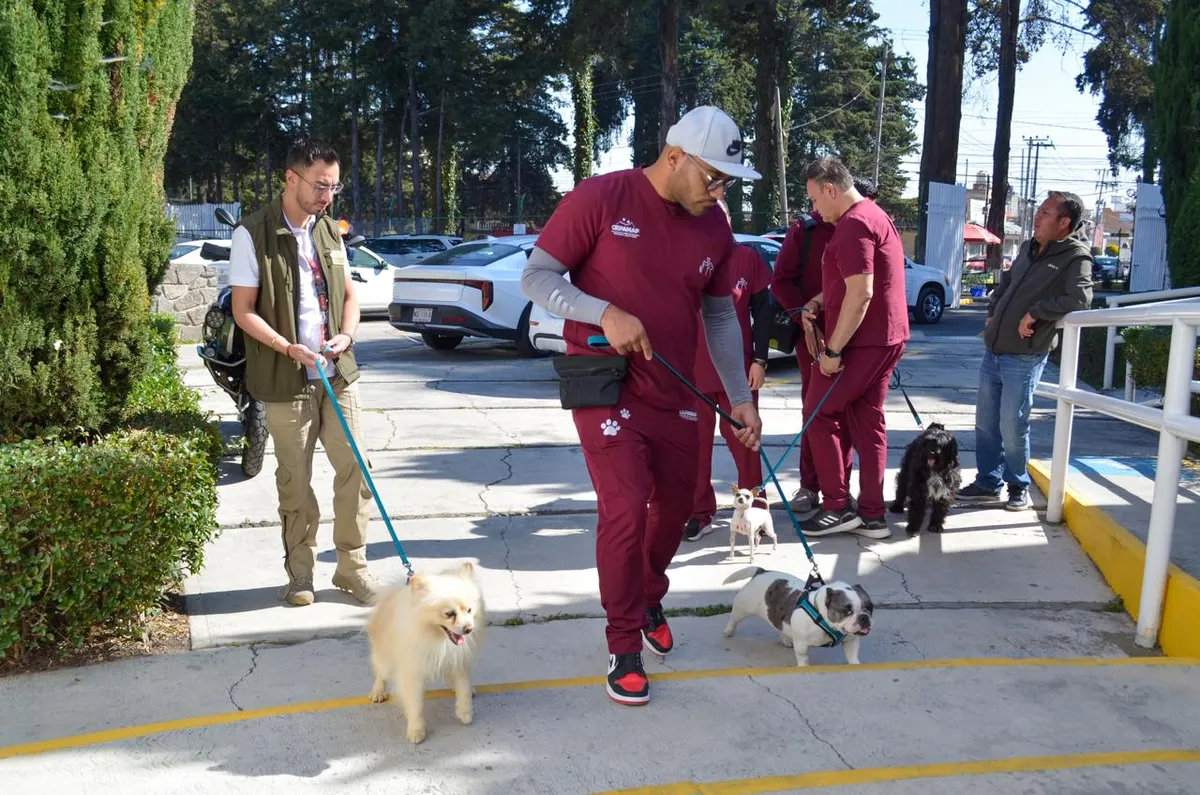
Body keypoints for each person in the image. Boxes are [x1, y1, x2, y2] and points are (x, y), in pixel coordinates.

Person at [521, 105, 764, 706]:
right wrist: (601, 311)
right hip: (605, 380)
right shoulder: (602, 198)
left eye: (728, 182)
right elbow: (538, 277)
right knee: (627, 504)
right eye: (713, 177)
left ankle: (648, 591)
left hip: (677, 389)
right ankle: (624, 641)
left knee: (678, 507)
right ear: (675, 157)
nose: (719, 190)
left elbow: (717, 315)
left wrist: (740, 396)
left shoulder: (715, 226)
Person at [230, 137, 380, 608]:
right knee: (294, 479)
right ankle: (301, 575)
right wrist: (286, 347)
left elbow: (350, 299)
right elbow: (243, 310)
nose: (327, 196)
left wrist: (347, 337)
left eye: (334, 187)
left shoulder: (330, 230)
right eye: (320, 185)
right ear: (291, 178)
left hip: (337, 374)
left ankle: (352, 570)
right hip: (285, 379)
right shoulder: (251, 233)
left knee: (356, 469)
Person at [796, 156, 909, 539]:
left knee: (819, 413)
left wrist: (832, 352)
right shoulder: (875, 215)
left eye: (814, 199)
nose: (814, 210)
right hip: (886, 336)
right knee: (867, 419)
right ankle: (873, 514)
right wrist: (818, 300)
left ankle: (836, 506)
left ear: (830, 189)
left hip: (864, 341)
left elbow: (861, 293)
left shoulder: (853, 225)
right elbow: (850, 283)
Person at [958, 191, 1093, 510]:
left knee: (1012, 423)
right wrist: (993, 309)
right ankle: (987, 483)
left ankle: (1017, 485)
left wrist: (1036, 312)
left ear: (1064, 222)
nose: (1037, 217)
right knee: (986, 421)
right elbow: (1006, 283)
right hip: (994, 348)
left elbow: (1080, 299)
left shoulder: (1075, 256)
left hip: (1025, 353)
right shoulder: (1029, 249)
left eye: (1045, 213)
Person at [684, 199, 775, 542]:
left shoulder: (747, 258)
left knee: (745, 444)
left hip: (737, 371)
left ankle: (757, 510)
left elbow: (764, 310)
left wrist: (760, 360)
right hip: (691, 370)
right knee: (694, 446)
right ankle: (698, 512)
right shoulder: (684, 256)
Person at [770, 198, 840, 515]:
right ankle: (810, 487)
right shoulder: (806, 229)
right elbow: (781, 280)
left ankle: (843, 493)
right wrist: (804, 320)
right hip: (814, 339)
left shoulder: (862, 224)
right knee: (814, 412)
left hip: (857, 338)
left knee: (853, 416)